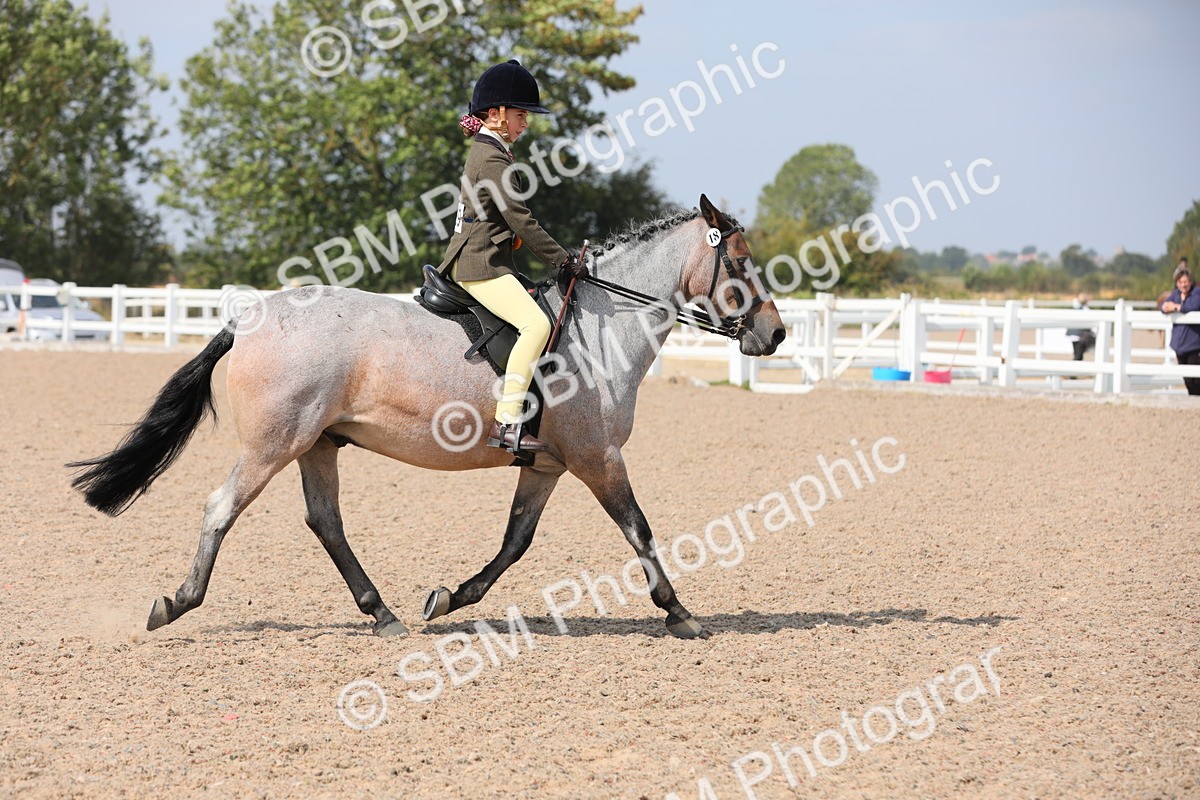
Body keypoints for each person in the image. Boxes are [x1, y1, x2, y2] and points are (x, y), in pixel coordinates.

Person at [436, 59, 587, 453]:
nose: (526, 123)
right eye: (521, 115)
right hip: (480, 266)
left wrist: (511, 239)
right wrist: (564, 260)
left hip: (487, 257)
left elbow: (495, 219)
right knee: (536, 326)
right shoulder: (491, 158)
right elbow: (522, 219)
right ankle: (507, 421)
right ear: (497, 114)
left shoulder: (489, 151)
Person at [1160, 259, 1200, 395]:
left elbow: (1193, 306)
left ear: (1190, 282)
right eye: (1180, 282)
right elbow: (1164, 305)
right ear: (1177, 283)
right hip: (1179, 344)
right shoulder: (1176, 294)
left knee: (1196, 378)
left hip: (1194, 344)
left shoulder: (1196, 293)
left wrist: (1176, 307)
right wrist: (1166, 308)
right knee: (1187, 378)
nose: (1183, 285)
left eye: (1185, 282)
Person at [1066, 292, 1095, 361]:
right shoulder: (1084, 308)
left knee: (1077, 354)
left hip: (1075, 334)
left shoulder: (1076, 306)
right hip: (1079, 335)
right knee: (1078, 355)